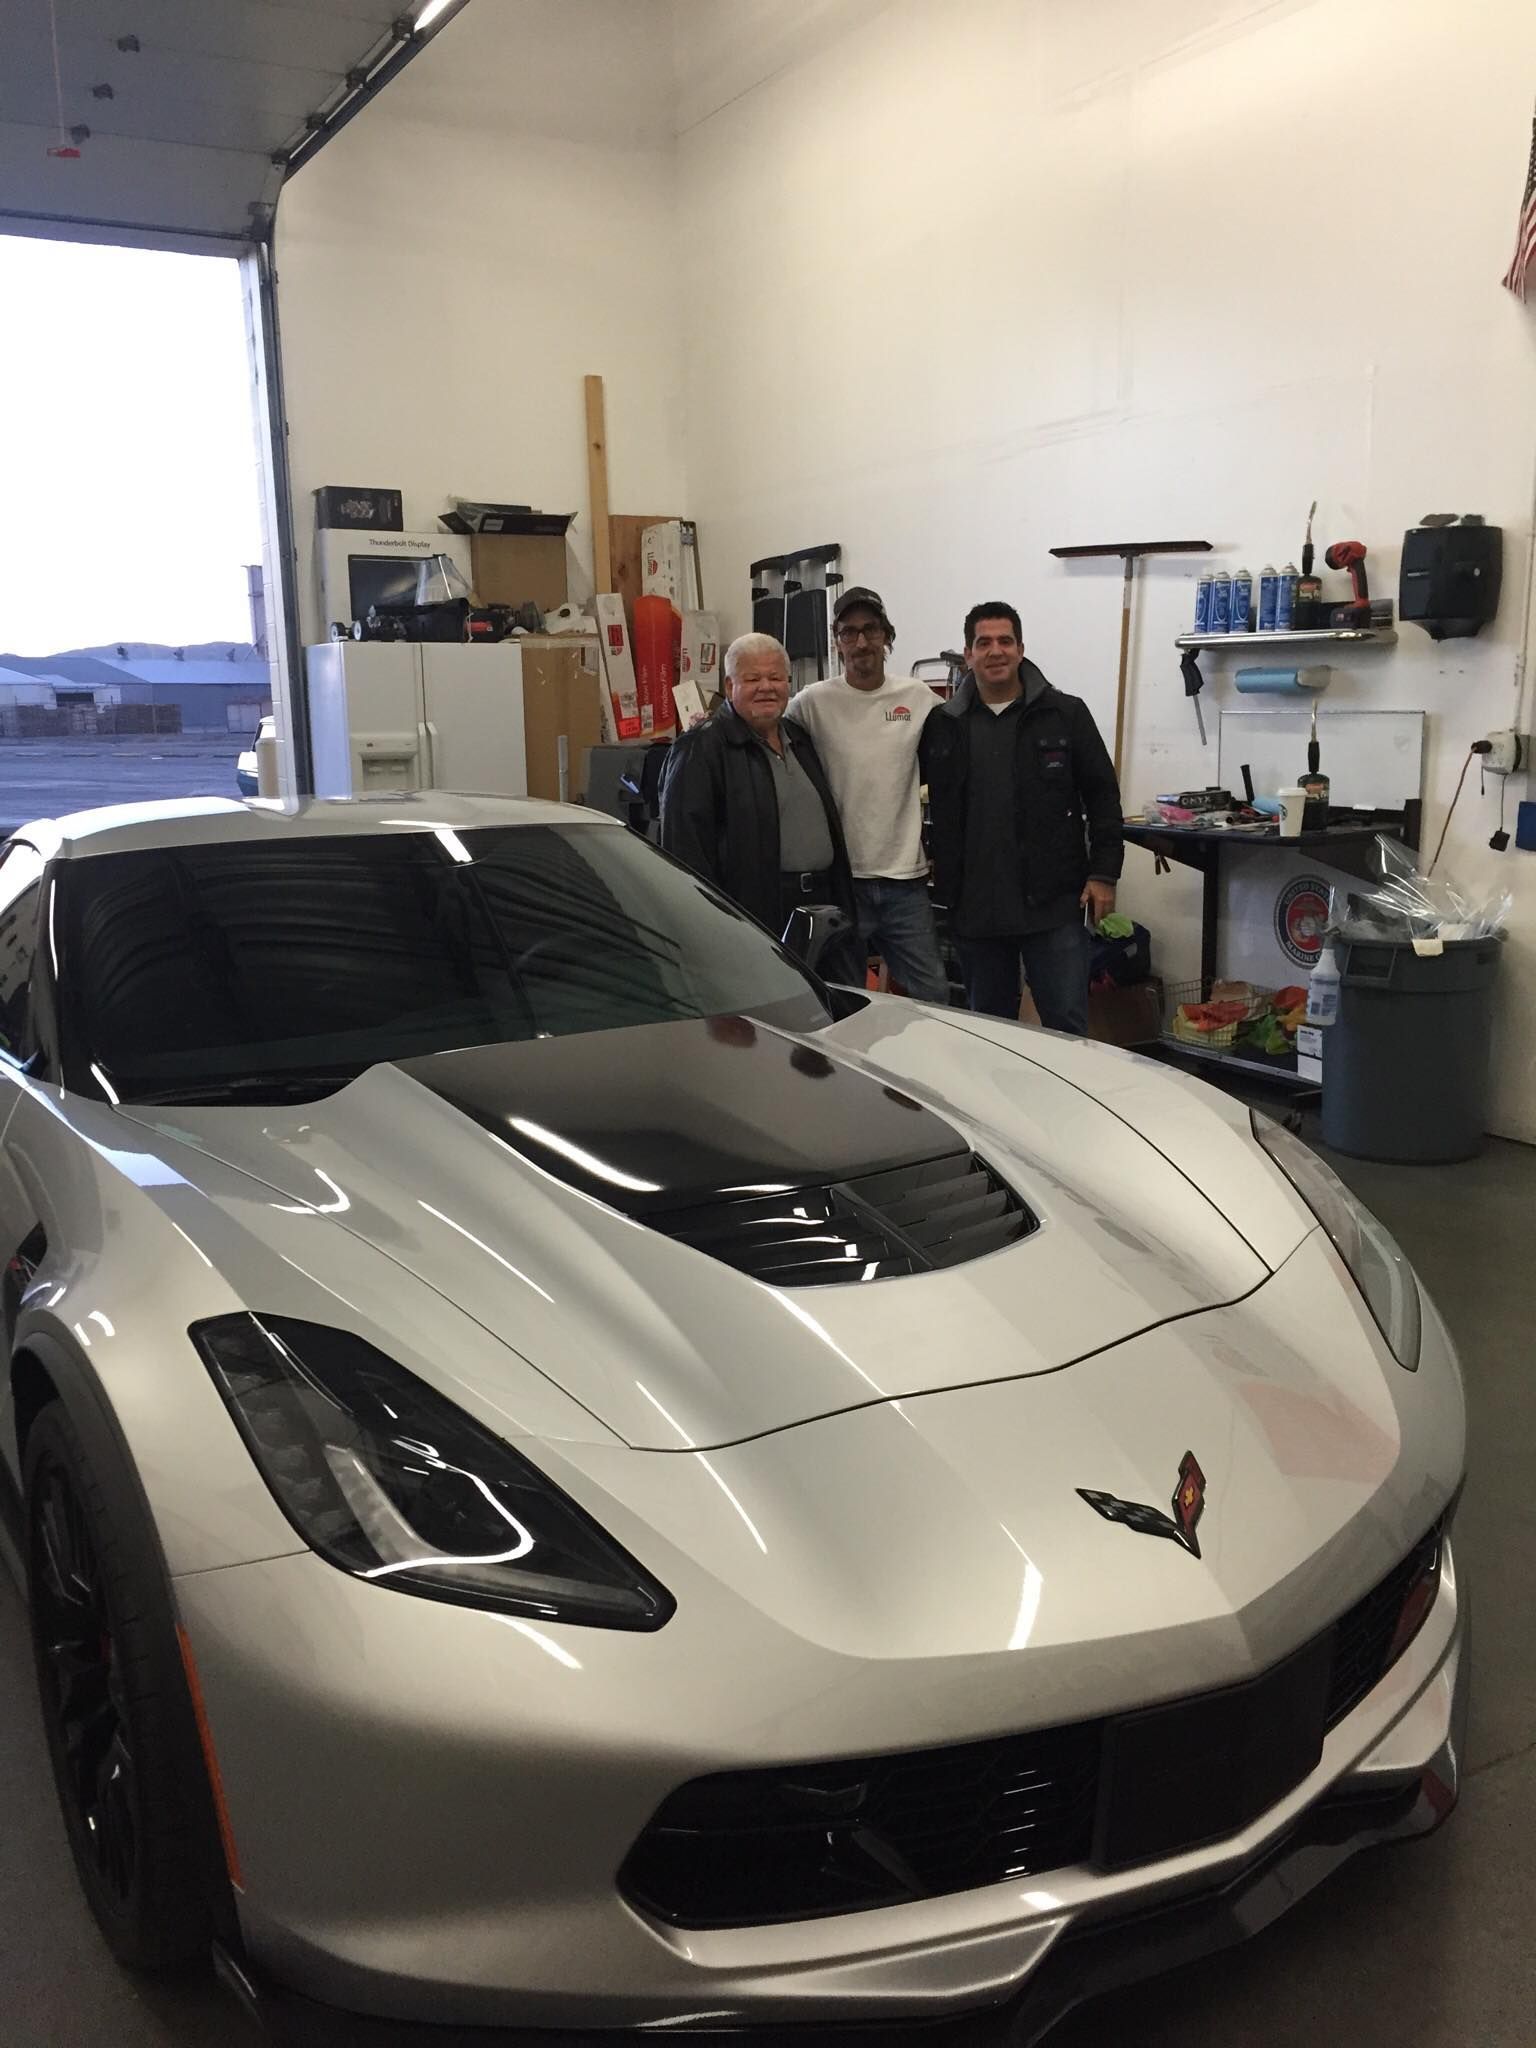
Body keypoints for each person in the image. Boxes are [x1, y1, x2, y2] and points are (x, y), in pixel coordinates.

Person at [919, 601, 1123, 1034]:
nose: (996, 651)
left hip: (1051, 905)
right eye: (984, 642)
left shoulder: (1065, 714)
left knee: (1066, 1026)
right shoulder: (943, 724)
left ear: (1021, 648)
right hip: (975, 909)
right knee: (991, 1034)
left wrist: (1104, 872)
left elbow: (1103, 794)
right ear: (968, 653)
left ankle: (1067, 1104)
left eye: (1005, 641)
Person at [786, 586, 950, 1004]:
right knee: (848, 1002)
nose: (861, 642)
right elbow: (761, 727)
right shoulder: (812, 703)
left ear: (886, 636)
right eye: (849, 632)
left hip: (904, 882)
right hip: (843, 882)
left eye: (871, 630)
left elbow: (962, 744)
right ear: (837, 641)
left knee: (933, 998)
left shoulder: (918, 698)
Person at [658, 632, 859, 971]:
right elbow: (685, 853)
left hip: (822, 906)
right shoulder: (701, 749)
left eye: (776, 677)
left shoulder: (799, 738)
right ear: (729, 683)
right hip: (755, 913)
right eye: (752, 678)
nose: (766, 686)